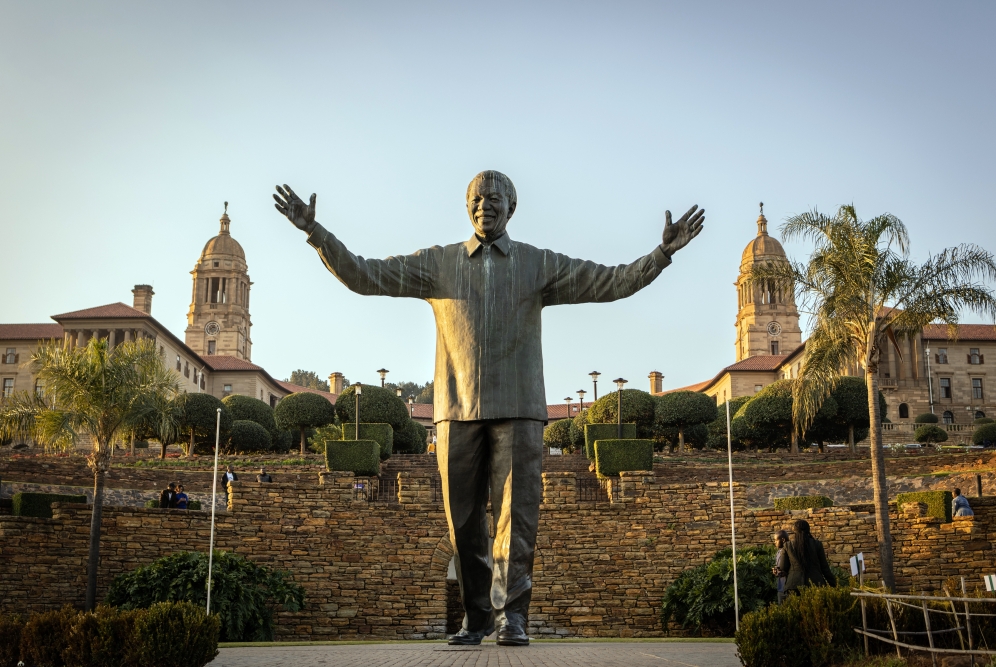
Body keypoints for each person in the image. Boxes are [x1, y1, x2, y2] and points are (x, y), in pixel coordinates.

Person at [274, 171, 703, 647]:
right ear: (467, 207)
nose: (484, 206)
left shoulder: (536, 264)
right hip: (456, 410)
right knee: (463, 523)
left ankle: (511, 616)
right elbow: (363, 274)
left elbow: (609, 282)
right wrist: (315, 233)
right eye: (476, 199)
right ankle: (476, 618)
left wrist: (661, 255)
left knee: (517, 519)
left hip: (518, 407)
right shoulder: (438, 263)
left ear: (511, 208)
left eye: (493, 198)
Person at [779, 519, 837, 593]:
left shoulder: (788, 545)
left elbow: (783, 567)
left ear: (795, 531)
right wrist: (834, 584)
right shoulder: (817, 544)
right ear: (808, 530)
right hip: (816, 583)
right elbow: (824, 567)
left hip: (794, 584)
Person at [772, 530, 789, 603]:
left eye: (776, 540)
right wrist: (775, 571)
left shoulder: (791, 552)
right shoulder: (778, 552)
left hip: (789, 587)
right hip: (780, 588)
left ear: (783, 540)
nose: (774, 542)